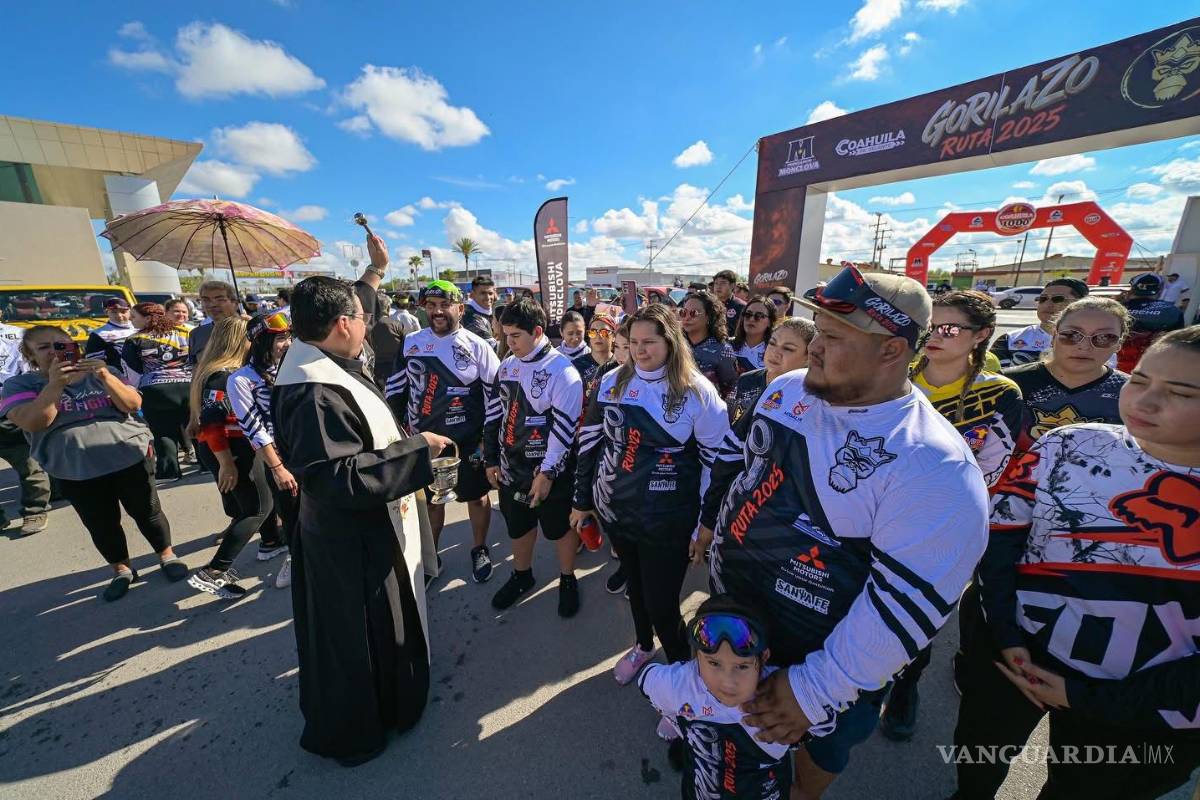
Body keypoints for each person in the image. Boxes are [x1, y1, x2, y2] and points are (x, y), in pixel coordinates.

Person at [700, 265, 989, 798]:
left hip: (823, 662)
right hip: (738, 622)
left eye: (832, 337)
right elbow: (747, 474)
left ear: (892, 350)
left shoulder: (933, 464)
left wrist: (813, 692)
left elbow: (903, 609)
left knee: (809, 765)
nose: (812, 347)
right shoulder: (787, 389)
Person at [954, 326, 1200, 800]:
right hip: (1015, 659)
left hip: (1147, 707)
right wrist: (1005, 637)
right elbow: (1000, 543)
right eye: (1141, 379)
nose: (1145, 403)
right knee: (976, 762)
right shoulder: (1068, 444)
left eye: (1181, 393)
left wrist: (1086, 698)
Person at [272, 276, 451, 766]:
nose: (367, 327)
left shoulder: (327, 364)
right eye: (363, 317)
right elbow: (337, 477)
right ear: (342, 323)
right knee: (361, 635)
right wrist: (419, 451)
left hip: (358, 528)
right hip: (349, 540)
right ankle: (365, 723)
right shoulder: (312, 391)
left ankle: (392, 698)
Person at [879, 290, 1024, 741]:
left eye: (949, 328)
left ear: (981, 336)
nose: (935, 337)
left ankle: (907, 683)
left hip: (943, 526)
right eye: (930, 327)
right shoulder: (893, 376)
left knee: (919, 614)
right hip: (875, 515)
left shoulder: (1000, 394)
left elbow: (993, 469)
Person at [572, 303, 733, 695]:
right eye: (632, 342)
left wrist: (705, 524)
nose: (640, 351)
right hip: (618, 511)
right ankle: (643, 646)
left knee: (663, 606)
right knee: (637, 593)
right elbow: (590, 441)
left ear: (671, 342)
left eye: (650, 342)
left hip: (671, 518)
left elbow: (720, 461)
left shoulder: (697, 390)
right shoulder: (611, 382)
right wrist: (582, 499)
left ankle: (683, 679)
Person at [2, 326, 187, 600]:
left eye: (61, 344)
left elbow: (132, 403)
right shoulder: (21, 385)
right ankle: (122, 570)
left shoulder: (101, 372)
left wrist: (104, 376)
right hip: (75, 469)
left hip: (128, 457)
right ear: (30, 355)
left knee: (147, 511)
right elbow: (34, 422)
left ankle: (167, 556)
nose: (54, 351)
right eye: (44, 348)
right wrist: (55, 384)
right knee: (101, 523)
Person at [386, 280, 501, 584]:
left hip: (469, 442)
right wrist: (399, 431)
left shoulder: (479, 346)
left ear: (460, 309)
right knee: (432, 502)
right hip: (425, 441)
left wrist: (488, 444)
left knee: (476, 498)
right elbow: (395, 390)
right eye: (431, 306)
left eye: (444, 305)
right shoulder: (411, 342)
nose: (437, 312)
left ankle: (479, 548)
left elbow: (496, 399)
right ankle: (431, 557)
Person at [484, 299, 584, 616]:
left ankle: (567, 578)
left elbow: (565, 431)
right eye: (505, 335)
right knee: (519, 525)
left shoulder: (563, 371)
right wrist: (490, 458)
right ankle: (522, 575)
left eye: (514, 336)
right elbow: (494, 417)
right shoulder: (507, 366)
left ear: (537, 331)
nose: (508, 343)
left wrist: (548, 473)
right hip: (512, 468)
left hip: (551, 472)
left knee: (559, 529)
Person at [639, 595, 792, 800]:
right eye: (714, 663)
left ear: (764, 657)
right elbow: (647, 682)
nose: (727, 682)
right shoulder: (680, 684)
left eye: (742, 666)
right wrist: (675, 719)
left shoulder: (786, 697)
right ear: (696, 656)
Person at [186, 317, 288, 598]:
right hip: (230, 448)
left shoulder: (223, 371)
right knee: (256, 508)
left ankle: (270, 542)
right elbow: (211, 421)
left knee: (260, 499)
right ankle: (214, 572)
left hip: (235, 446)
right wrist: (226, 463)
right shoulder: (226, 375)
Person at [227, 310, 298, 590]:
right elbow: (253, 428)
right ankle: (295, 556)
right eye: (279, 339)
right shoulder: (241, 380)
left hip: (309, 450)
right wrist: (277, 467)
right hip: (281, 458)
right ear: (259, 342)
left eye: (288, 337)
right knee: (290, 512)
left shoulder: (295, 367)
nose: (287, 344)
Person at [1003, 297, 1130, 453]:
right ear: (1054, 336)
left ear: (1119, 343)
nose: (1084, 347)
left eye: (1104, 337)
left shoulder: (1132, 394)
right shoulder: (1006, 384)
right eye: (1071, 334)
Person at [121, 302, 192, 481]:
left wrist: (137, 392)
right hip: (189, 386)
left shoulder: (134, 339)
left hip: (156, 390)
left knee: (163, 432)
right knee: (196, 425)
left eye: (134, 317)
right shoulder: (187, 332)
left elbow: (132, 371)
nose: (131, 320)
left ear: (147, 318)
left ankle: (169, 471)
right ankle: (208, 464)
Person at [0, 322, 50, 535]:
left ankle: (35, 511)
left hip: (10, 409)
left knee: (29, 466)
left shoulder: (17, 335)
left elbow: (30, 369)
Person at [727, 317, 815, 439]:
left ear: (809, 357)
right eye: (772, 343)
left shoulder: (809, 397)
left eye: (788, 348)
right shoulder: (746, 380)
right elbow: (729, 425)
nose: (775, 352)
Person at [989, 278, 1089, 368]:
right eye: (1043, 299)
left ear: (1081, 304)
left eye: (1058, 299)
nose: (1047, 304)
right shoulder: (1010, 339)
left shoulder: (1095, 342)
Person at [601, 319, 633, 597]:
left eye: (629, 346)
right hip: (611, 463)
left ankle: (638, 572)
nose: (622, 354)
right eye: (619, 347)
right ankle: (626, 565)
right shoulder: (607, 375)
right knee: (615, 521)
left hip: (641, 468)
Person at [1118, 272, 1185, 373]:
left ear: (1132, 289)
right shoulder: (1172, 311)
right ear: (1159, 290)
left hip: (1113, 366)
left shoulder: (1115, 308)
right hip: (1151, 369)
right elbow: (1178, 345)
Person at [679, 291, 737, 399]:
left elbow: (731, 390)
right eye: (683, 312)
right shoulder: (674, 345)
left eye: (693, 313)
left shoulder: (722, 350)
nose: (686, 318)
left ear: (709, 316)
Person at [189, 280, 241, 366]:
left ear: (235, 303)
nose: (213, 304)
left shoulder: (250, 331)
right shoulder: (196, 334)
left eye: (220, 299)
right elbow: (196, 369)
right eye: (206, 300)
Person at [84, 297, 137, 373]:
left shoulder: (140, 327)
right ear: (106, 312)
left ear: (130, 311)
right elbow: (94, 364)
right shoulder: (99, 334)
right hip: (119, 379)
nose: (119, 315)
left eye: (123, 311)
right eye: (114, 312)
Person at [572, 314, 619, 396]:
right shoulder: (576, 366)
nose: (598, 336)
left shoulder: (621, 365)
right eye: (593, 332)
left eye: (604, 332)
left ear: (614, 336)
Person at [731, 297, 779, 374]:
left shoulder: (776, 353)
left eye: (759, 315)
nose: (752, 319)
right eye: (748, 314)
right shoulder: (727, 345)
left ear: (770, 322)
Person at [461, 275, 498, 346]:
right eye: (483, 293)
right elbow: (491, 347)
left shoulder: (493, 311)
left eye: (490, 293)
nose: (488, 297)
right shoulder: (469, 316)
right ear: (473, 294)